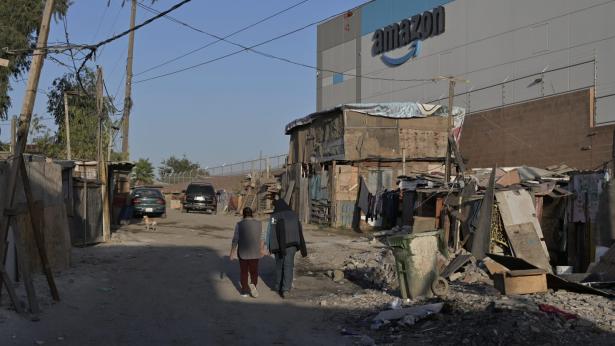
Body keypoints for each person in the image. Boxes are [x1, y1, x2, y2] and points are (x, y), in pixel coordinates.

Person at [267, 199, 307, 298]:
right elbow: (299, 229)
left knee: (279, 265)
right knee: (288, 265)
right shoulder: (294, 215)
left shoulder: (274, 217)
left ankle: (278, 286)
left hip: (279, 245)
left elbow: (270, 231)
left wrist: (269, 246)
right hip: (293, 244)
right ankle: (286, 290)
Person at [230, 207, 264, 298]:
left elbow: (235, 239)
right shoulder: (259, 224)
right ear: (251, 214)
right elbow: (262, 238)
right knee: (254, 271)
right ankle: (253, 285)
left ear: (243, 214)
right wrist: (261, 250)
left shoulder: (239, 224)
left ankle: (244, 290)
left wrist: (232, 253)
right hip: (255, 252)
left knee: (244, 272)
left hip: (243, 252)